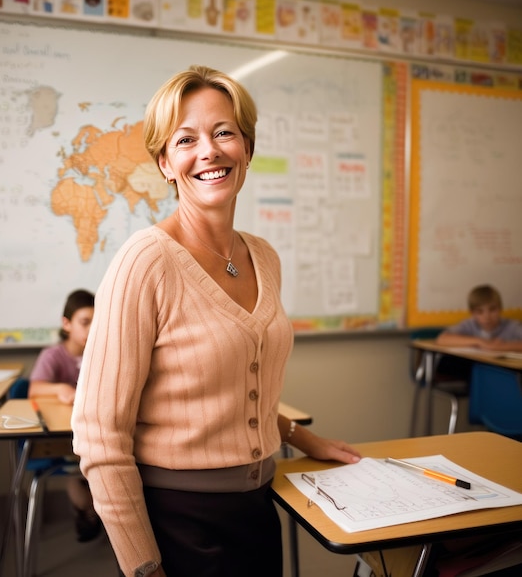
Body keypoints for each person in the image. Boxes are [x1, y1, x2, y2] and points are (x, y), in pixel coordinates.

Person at [71, 65, 361, 577]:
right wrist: (143, 566)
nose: (209, 151)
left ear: (246, 147)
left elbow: (228, 392)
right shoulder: (145, 261)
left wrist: (299, 435)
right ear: (164, 163)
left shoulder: (265, 257)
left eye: (224, 132)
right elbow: (99, 436)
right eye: (186, 139)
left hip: (257, 505)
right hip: (176, 521)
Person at [29, 288, 102, 543]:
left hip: (96, 431)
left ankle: (96, 511)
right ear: (67, 324)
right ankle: (88, 511)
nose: (91, 328)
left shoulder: (102, 353)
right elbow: (34, 388)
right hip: (66, 438)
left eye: (97, 321)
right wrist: (59, 388)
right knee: (78, 463)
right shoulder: (53, 356)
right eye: (85, 322)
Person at [436, 285, 522, 352]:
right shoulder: (469, 325)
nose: (487, 316)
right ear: (472, 313)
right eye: (480, 312)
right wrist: (480, 341)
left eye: (492, 310)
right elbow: (442, 339)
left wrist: (502, 346)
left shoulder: (511, 326)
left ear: (500, 308)